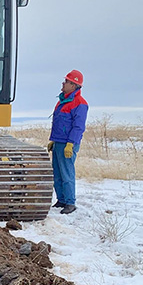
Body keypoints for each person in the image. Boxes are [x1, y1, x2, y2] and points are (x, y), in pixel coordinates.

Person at [47, 70, 88, 214]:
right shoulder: (61, 101)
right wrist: (53, 140)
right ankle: (61, 200)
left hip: (68, 144)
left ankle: (70, 202)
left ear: (74, 85)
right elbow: (57, 123)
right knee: (57, 173)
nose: (63, 84)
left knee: (66, 173)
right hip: (58, 142)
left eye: (66, 81)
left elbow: (78, 127)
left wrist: (71, 143)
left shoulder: (80, 104)